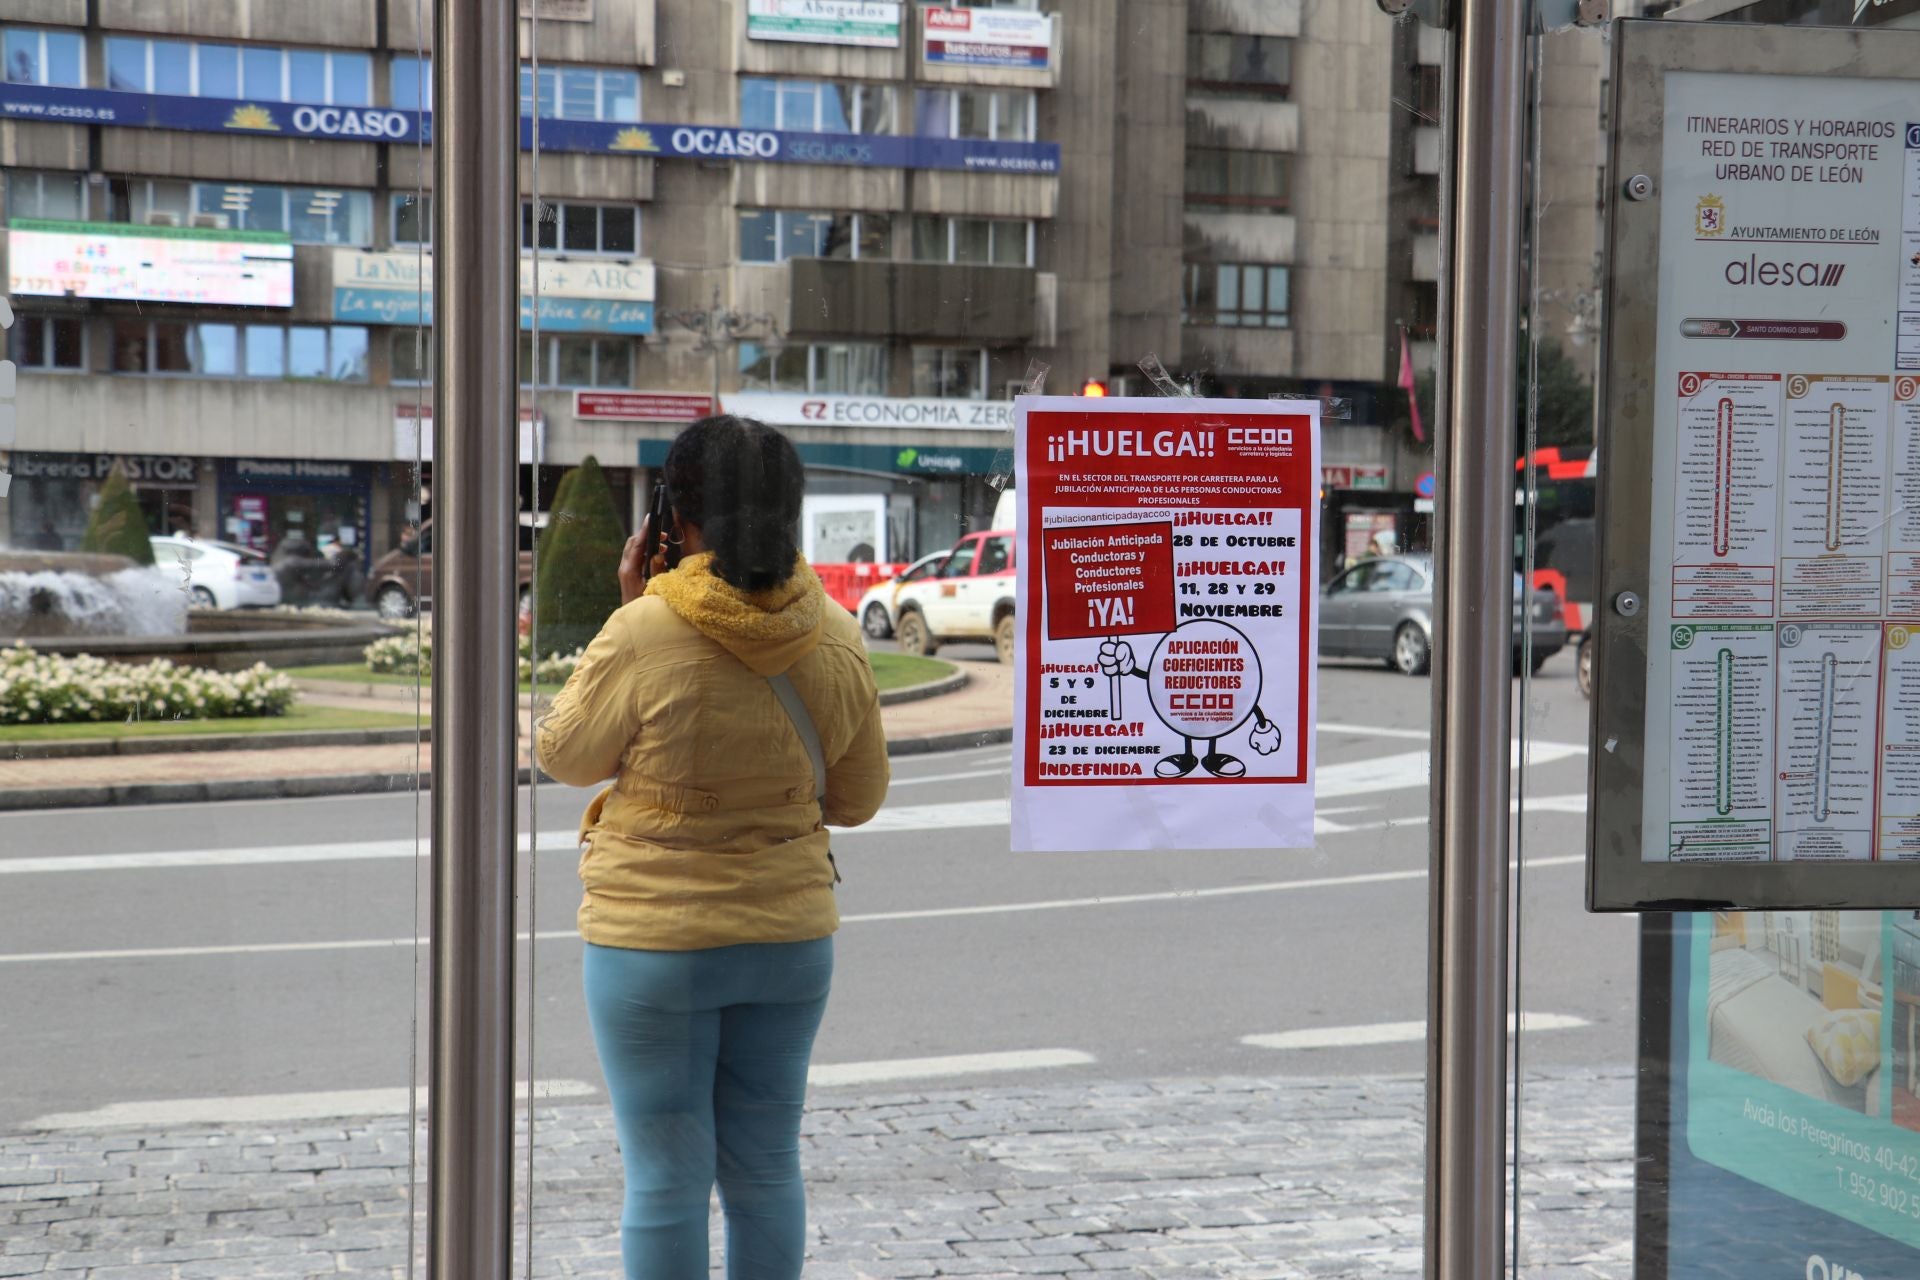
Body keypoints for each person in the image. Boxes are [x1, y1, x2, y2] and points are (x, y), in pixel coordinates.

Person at [536, 415, 890, 1280]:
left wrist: (630, 611)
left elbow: (565, 756)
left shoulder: (643, 631)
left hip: (654, 944)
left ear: (672, 520)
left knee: (664, 1180)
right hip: (790, 940)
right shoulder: (839, 636)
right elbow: (858, 799)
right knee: (768, 1168)